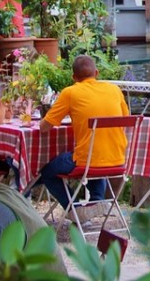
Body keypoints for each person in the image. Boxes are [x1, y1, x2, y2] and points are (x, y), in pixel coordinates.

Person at [34, 54, 129, 210]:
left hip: (87, 161)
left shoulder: (71, 93)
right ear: (96, 73)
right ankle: (96, 202)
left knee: (47, 172)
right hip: (118, 158)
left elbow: (45, 127)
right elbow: (126, 119)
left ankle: (75, 208)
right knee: (92, 155)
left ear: (73, 77)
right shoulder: (114, 90)